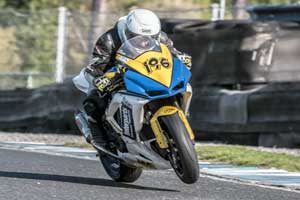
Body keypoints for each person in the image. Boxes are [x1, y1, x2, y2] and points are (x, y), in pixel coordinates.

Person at [81, 9, 192, 147]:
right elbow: (96, 65)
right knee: (94, 98)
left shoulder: (161, 37)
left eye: (150, 38)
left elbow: (172, 53)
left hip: (148, 72)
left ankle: (179, 122)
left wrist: (181, 58)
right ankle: (97, 133)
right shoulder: (109, 39)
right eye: (136, 37)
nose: (144, 43)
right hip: (118, 74)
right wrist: (103, 77)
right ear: (127, 32)